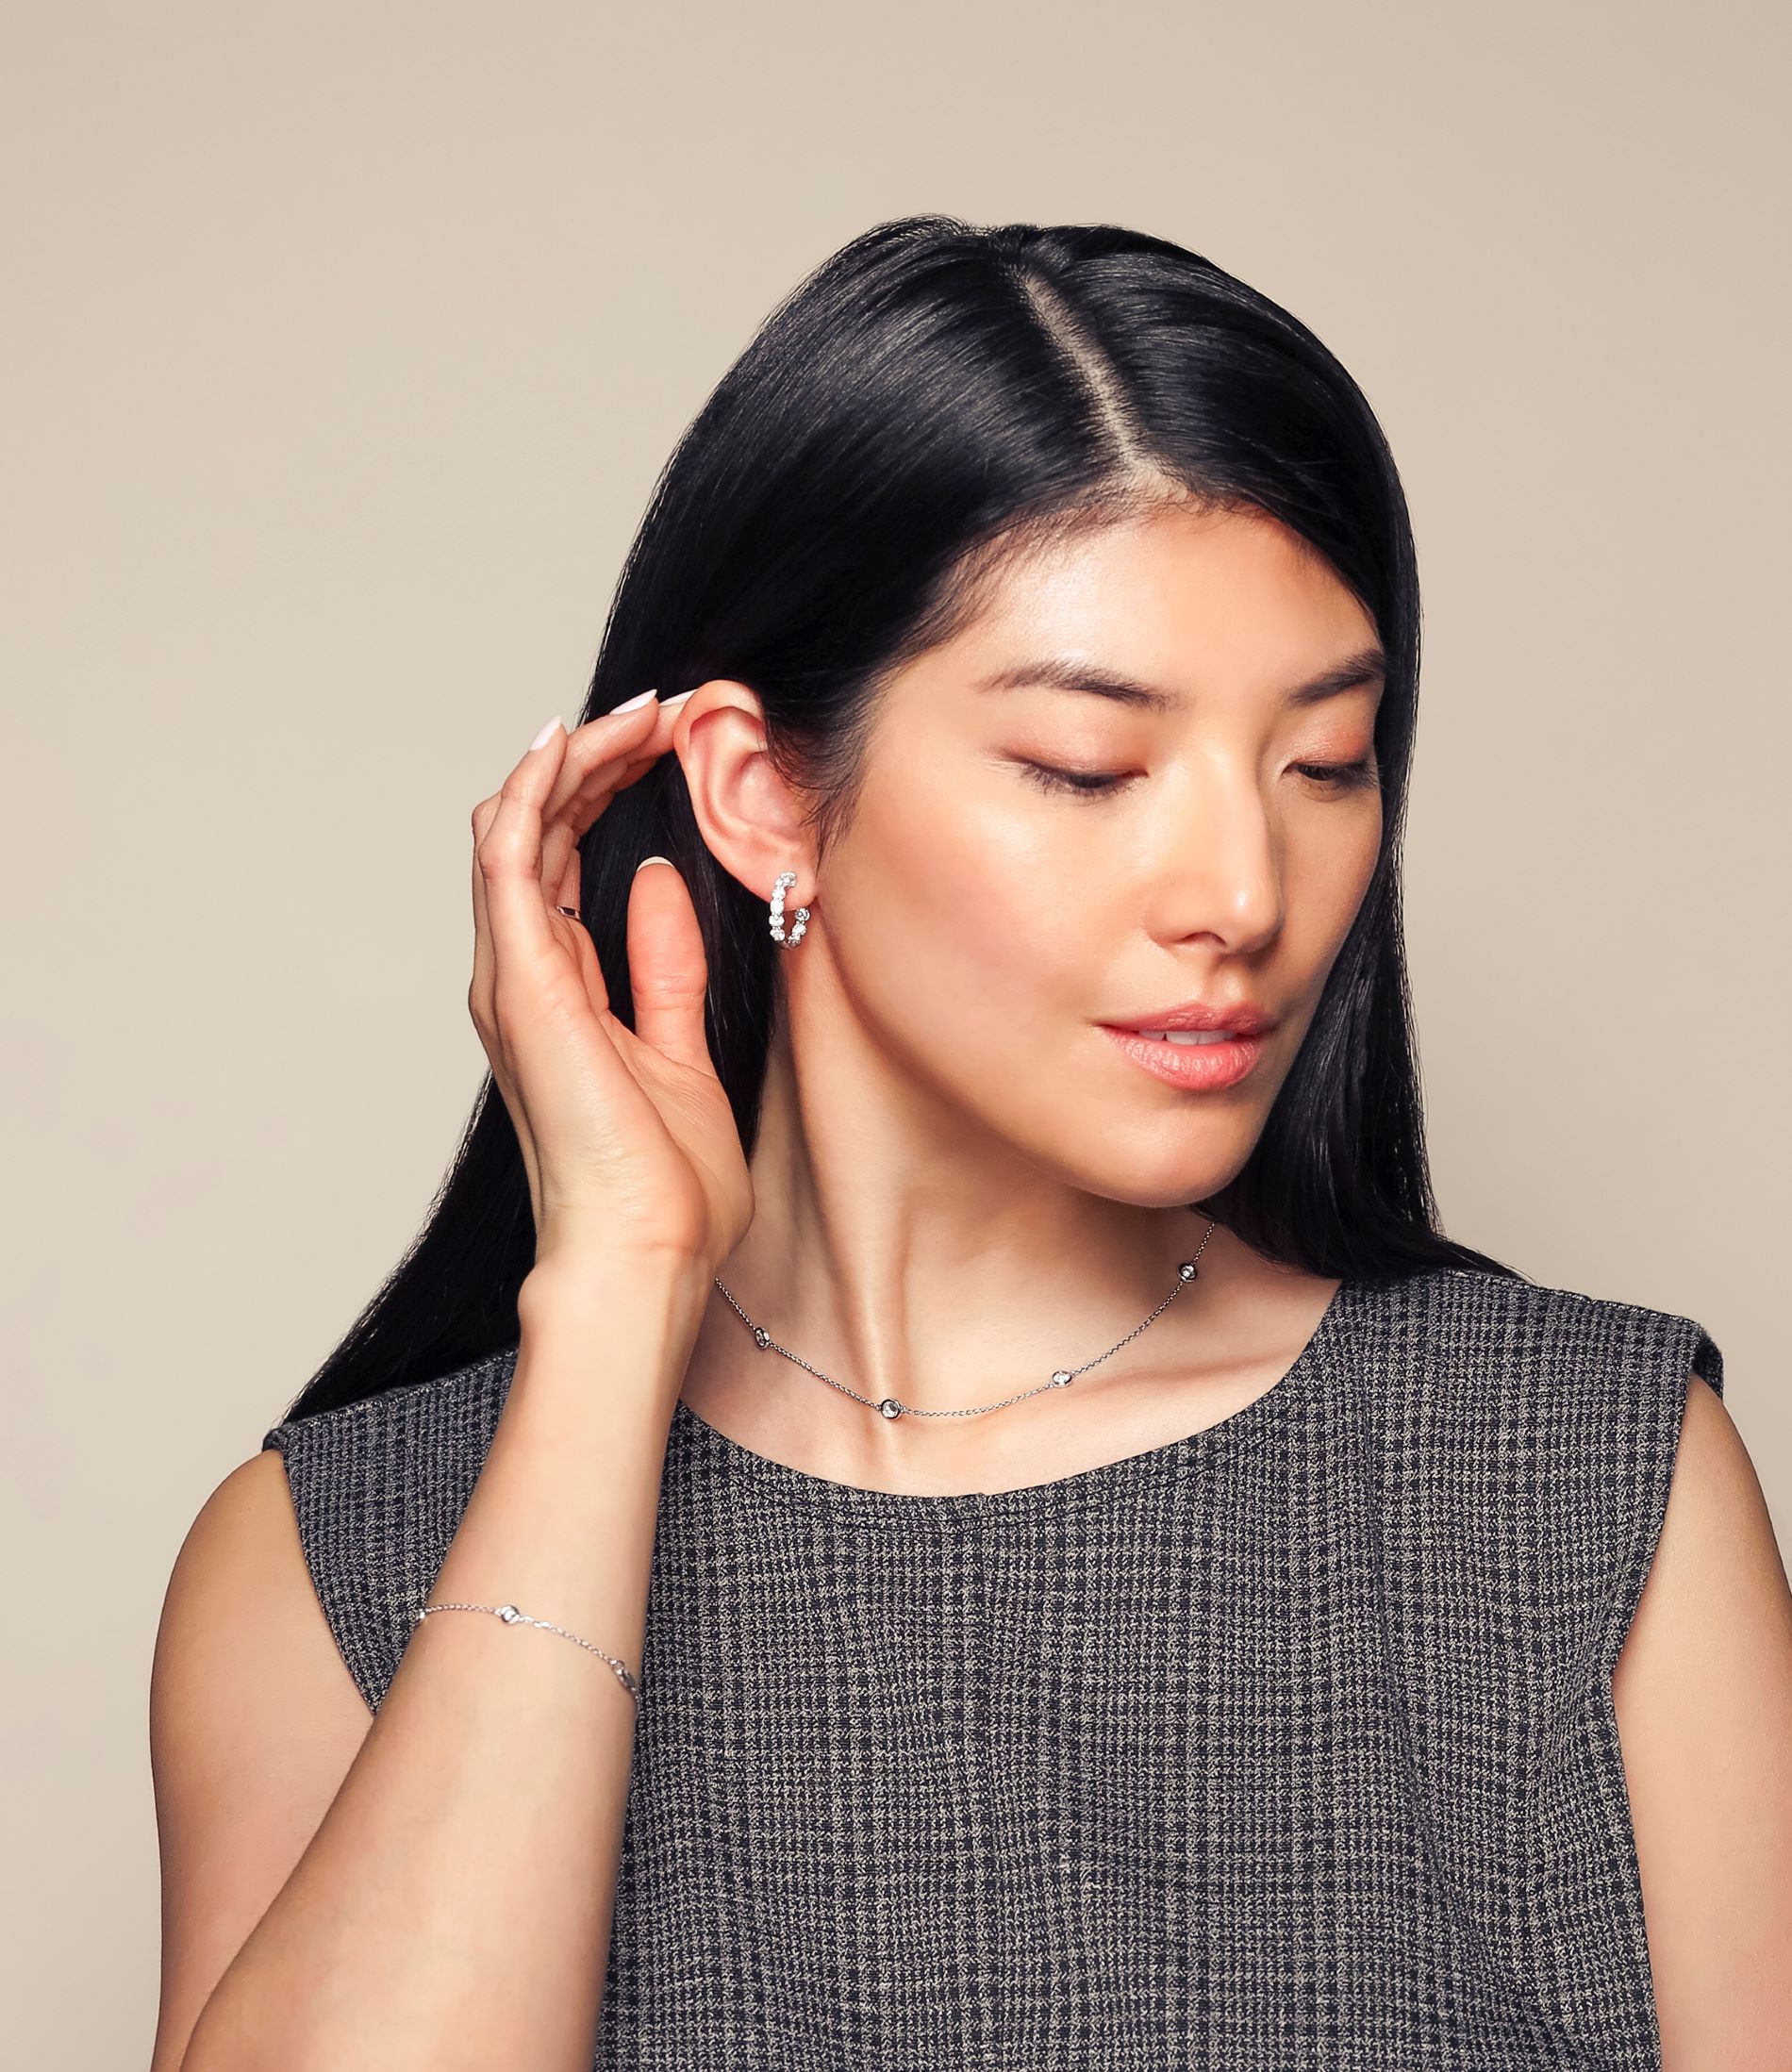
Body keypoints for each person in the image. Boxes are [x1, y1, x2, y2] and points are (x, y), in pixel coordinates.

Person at [149, 215, 1792, 2070]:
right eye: (1088, 772)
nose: (1242, 893)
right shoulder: (331, 1556)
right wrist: (613, 1294)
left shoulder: (1571, 1487)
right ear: (765, 794)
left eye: (1323, 762)